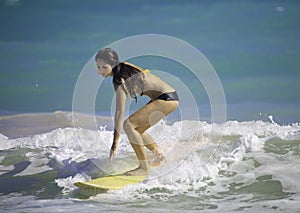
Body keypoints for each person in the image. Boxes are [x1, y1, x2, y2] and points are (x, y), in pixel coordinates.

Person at [96, 48, 179, 176]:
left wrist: (114, 143)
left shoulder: (120, 80)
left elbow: (119, 113)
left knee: (128, 125)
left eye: (104, 67)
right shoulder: (126, 67)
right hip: (168, 97)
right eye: (98, 67)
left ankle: (143, 168)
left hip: (166, 99)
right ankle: (159, 154)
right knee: (138, 130)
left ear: (113, 65)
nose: (99, 71)